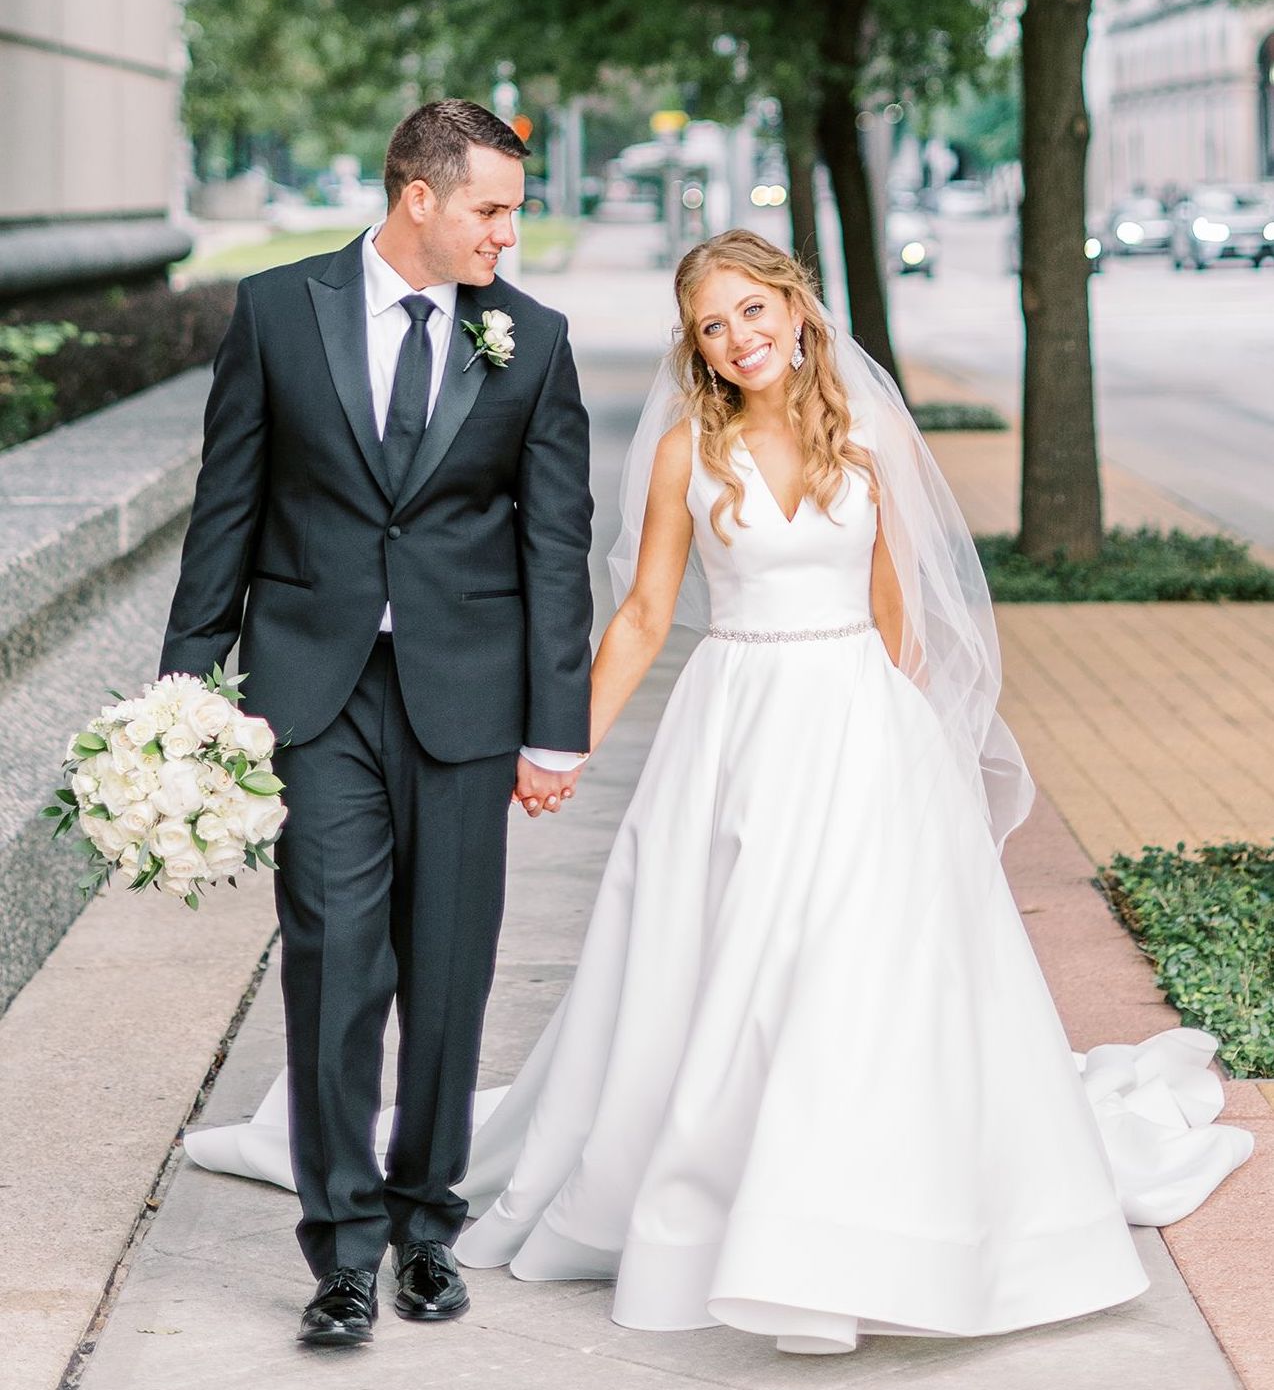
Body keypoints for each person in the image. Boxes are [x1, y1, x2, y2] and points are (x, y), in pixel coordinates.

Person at [184, 228, 1252, 1357]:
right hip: (735, 720)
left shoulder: (867, 437)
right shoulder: (686, 446)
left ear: (795, 308)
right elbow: (643, 611)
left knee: (859, 974)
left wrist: (907, 748)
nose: (738, 338)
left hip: (856, 726)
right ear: (692, 344)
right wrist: (562, 743)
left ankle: (866, 1212)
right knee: (733, 966)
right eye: (711, 323)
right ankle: (726, 1202)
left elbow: (901, 617)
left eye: (753, 311)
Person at [161, 99, 593, 1346]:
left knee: (450, 973)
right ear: (420, 196)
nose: (506, 233)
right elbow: (223, 510)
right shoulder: (277, 310)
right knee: (335, 960)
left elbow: (552, 544)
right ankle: (343, 1248)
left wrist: (552, 727)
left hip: (465, 697)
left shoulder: (533, 339)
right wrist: (186, 694)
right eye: (491, 208)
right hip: (314, 691)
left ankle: (425, 1225)